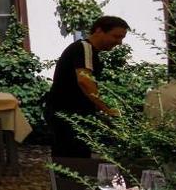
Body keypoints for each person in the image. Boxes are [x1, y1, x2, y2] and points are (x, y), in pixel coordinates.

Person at [45, 15, 129, 163]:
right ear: (99, 31)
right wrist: (106, 109)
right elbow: (84, 80)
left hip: (67, 114)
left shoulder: (87, 50)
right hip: (69, 115)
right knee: (74, 160)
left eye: (121, 38)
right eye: (116, 36)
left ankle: (66, 184)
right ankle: (69, 185)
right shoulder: (85, 48)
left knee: (68, 160)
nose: (119, 42)